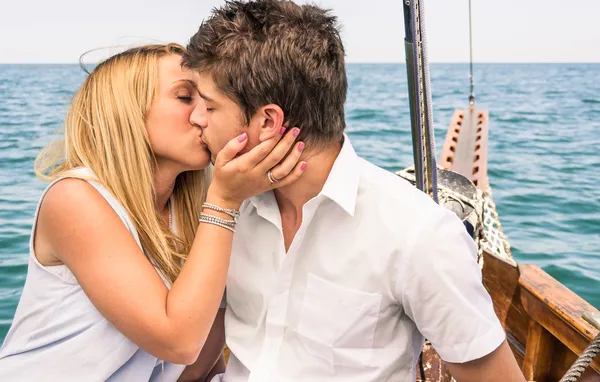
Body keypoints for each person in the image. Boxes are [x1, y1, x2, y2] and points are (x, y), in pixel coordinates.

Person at [181, 1, 526, 381]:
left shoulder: (417, 234)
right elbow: (199, 346)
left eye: (209, 106)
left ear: (268, 121)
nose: (195, 118)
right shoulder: (227, 207)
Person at [0, 43, 306, 381]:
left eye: (208, 101)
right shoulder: (75, 199)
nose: (201, 116)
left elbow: (198, 365)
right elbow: (178, 341)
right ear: (125, 111)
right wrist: (224, 201)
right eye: (185, 97)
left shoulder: (193, 213)